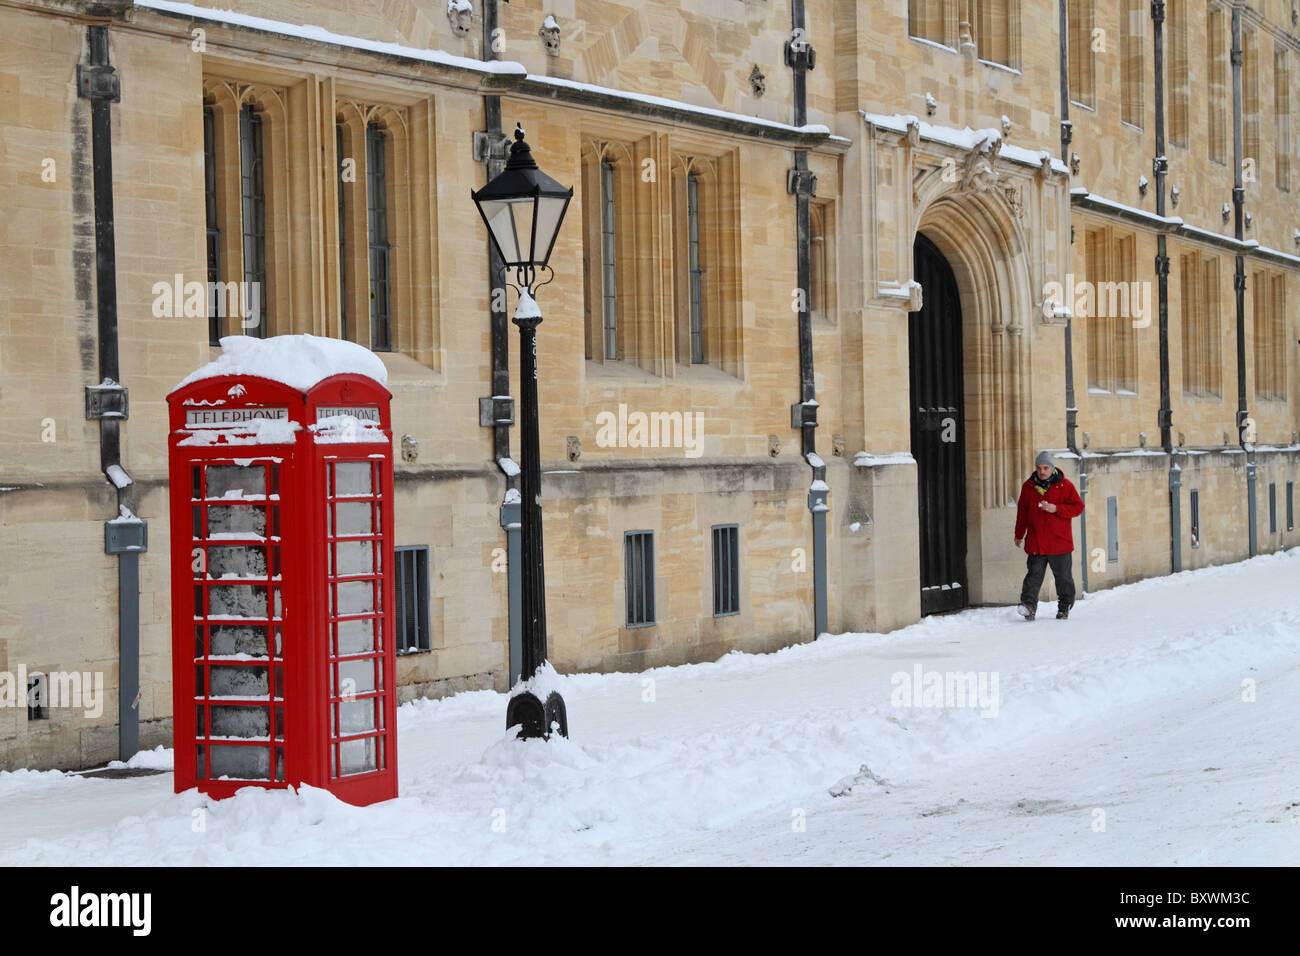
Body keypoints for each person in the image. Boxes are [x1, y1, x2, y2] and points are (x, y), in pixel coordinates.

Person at [1013, 450, 1084, 620]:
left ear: (1052, 468)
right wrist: (1019, 534)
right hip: (1036, 541)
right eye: (1039, 468)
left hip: (1059, 542)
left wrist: (1057, 508)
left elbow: (1078, 507)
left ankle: (1064, 606)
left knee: (1063, 578)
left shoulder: (1065, 486)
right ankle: (1028, 606)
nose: (1042, 471)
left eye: (1045, 468)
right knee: (1033, 576)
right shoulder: (1028, 487)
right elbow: (1022, 512)